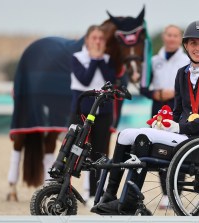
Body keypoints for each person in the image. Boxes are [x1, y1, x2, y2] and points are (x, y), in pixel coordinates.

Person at [91, 20, 199, 215]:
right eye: (193, 43)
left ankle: (128, 201)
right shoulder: (182, 73)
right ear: (186, 45)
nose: (197, 48)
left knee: (142, 138)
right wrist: (163, 122)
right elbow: (178, 110)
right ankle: (110, 196)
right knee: (124, 135)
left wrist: (181, 128)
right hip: (181, 134)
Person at [139, 24, 189, 209]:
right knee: (160, 150)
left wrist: (175, 93)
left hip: (180, 109)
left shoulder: (186, 61)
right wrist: (157, 94)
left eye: (175, 35)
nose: (171, 38)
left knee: (178, 149)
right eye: (168, 35)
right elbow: (144, 87)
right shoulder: (153, 61)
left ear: (180, 39)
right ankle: (166, 194)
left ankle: (176, 193)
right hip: (158, 110)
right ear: (163, 36)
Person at [69, 25, 116, 205]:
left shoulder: (108, 60)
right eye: (94, 38)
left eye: (101, 39)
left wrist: (100, 59)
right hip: (80, 111)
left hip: (103, 113)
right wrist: (95, 59)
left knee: (99, 152)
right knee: (75, 149)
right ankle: (66, 188)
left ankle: (95, 194)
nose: (97, 42)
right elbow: (85, 79)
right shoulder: (77, 58)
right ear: (87, 40)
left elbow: (109, 80)